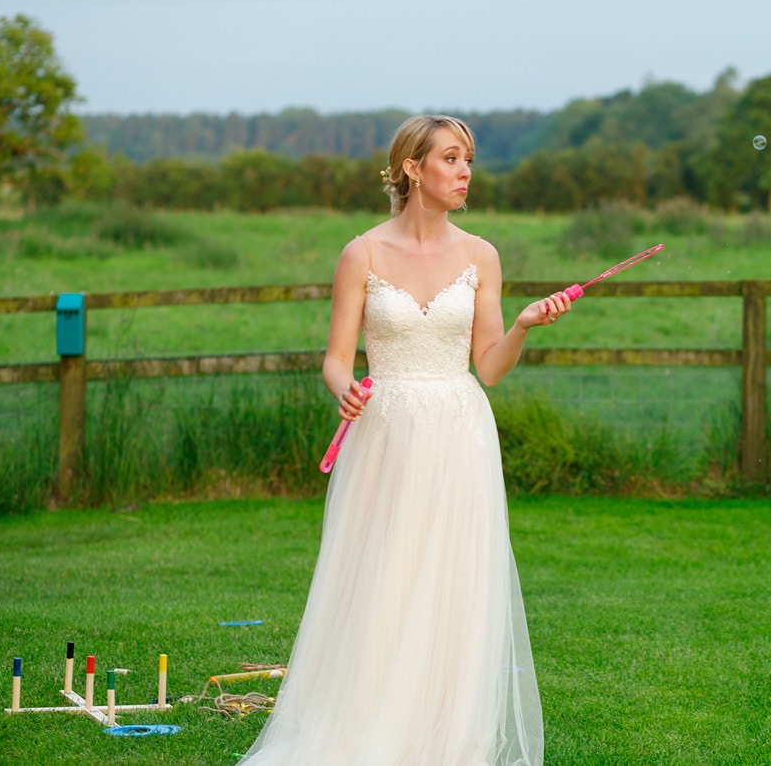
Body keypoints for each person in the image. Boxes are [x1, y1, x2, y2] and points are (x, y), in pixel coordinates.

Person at [237, 114, 567, 766]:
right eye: (451, 158)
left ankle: (446, 737)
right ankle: (364, 731)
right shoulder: (360, 254)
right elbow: (335, 357)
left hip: (459, 432)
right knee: (382, 580)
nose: (466, 171)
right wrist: (344, 388)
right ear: (413, 168)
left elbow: (490, 367)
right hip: (384, 432)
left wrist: (525, 325)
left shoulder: (482, 256)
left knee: (453, 585)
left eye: (468, 159)